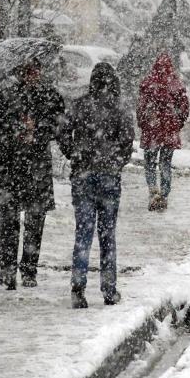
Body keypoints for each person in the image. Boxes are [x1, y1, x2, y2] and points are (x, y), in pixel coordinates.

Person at [58, 62, 134, 309]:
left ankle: (78, 288)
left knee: (83, 233)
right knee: (107, 234)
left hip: (82, 177)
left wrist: (74, 154)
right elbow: (127, 141)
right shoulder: (120, 108)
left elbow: (62, 132)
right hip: (109, 177)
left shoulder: (79, 105)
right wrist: (115, 162)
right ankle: (109, 289)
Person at [0, 58, 65, 289]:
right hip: (11, 166)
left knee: (34, 222)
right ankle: (8, 270)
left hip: (36, 167)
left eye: (35, 70)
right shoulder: (3, 96)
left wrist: (38, 131)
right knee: (9, 222)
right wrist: (15, 132)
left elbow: (58, 126)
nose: (31, 75)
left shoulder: (51, 96)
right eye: (27, 71)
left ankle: (29, 270)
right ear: (19, 72)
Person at [136, 53, 190, 212]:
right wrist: (177, 123)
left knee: (150, 163)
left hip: (152, 130)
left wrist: (143, 124)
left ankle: (153, 190)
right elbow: (185, 109)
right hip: (169, 131)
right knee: (165, 163)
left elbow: (141, 107)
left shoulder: (147, 84)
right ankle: (164, 194)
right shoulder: (176, 85)